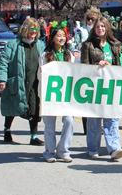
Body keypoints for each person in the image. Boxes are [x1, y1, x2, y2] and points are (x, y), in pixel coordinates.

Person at [81, 16, 122, 160]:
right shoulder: (88, 45)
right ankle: (93, 148)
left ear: (107, 28)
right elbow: (84, 67)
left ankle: (114, 147)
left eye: (102, 26)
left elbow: (120, 66)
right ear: (94, 29)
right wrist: (97, 66)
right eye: (97, 26)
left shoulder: (114, 45)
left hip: (111, 85)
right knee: (94, 118)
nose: (100, 29)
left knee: (112, 117)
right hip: (94, 86)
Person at [0, 18, 46, 145]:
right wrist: (2, 79)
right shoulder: (13, 44)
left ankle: (34, 136)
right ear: (25, 29)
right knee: (12, 106)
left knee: (34, 108)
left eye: (36, 29)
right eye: (31, 29)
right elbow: (3, 61)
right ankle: (7, 130)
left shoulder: (40, 45)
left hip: (34, 82)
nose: (33, 32)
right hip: (18, 81)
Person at [38, 27, 75, 163]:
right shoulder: (45, 55)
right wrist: (43, 71)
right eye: (58, 35)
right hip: (50, 94)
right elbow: (39, 75)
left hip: (65, 94)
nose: (61, 38)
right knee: (49, 124)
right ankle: (49, 151)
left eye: (63, 35)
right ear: (52, 37)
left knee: (69, 121)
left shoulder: (68, 55)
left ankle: (63, 150)